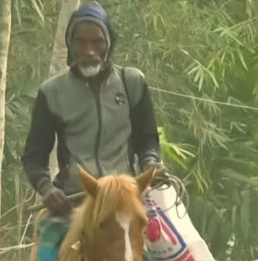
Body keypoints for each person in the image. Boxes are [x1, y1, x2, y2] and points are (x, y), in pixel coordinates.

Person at [21, 1, 164, 216]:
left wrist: (150, 163)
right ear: (70, 44)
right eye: (81, 42)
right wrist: (46, 188)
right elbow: (34, 156)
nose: (89, 51)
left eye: (97, 42)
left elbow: (148, 139)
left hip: (125, 198)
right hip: (74, 202)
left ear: (109, 43)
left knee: (174, 246)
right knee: (48, 250)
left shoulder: (132, 82)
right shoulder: (51, 93)